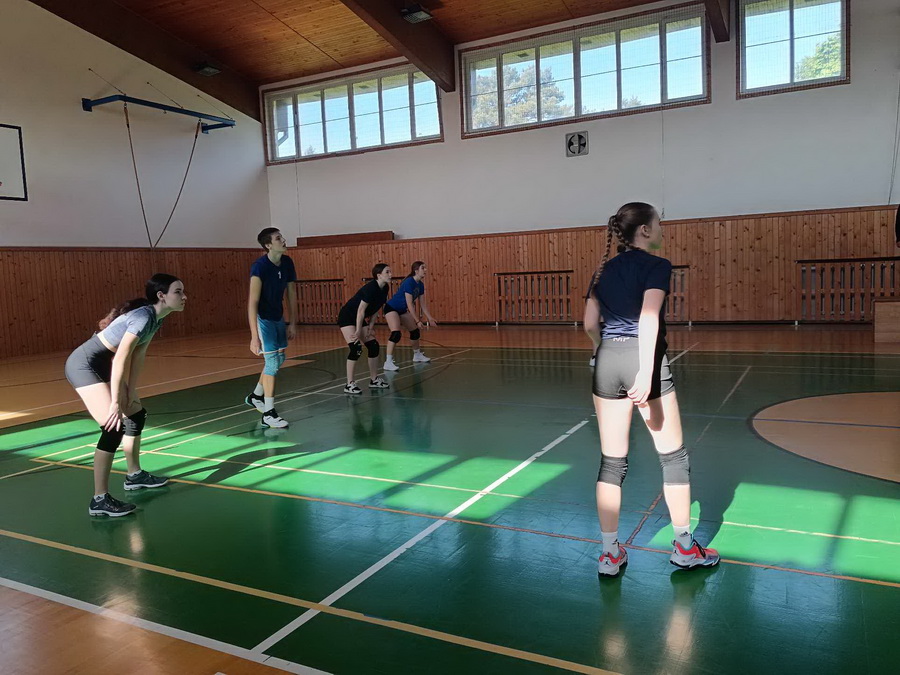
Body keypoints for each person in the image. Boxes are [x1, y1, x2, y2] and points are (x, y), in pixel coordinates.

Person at [583, 202, 719, 577]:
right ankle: (685, 549)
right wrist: (645, 371)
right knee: (673, 458)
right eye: (658, 223)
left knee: (612, 462)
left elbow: (589, 323)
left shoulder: (602, 270)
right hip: (642, 360)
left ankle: (609, 554)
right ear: (644, 230)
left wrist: (601, 348)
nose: (661, 229)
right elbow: (647, 317)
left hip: (607, 361)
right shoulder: (657, 265)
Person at [64, 274, 184, 517]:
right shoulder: (143, 317)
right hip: (84, 365)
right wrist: (115, 402)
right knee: (113, 427)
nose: (184, 297)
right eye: (178, 292)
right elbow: (120, 358)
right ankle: (99, 499)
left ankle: (134, 475)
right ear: (161, 296)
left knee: (136, 415)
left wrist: (130, 390)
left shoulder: (156, 319)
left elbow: (138, 355)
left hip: (103, 364)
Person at [245, 227, 297, 429]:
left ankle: (255, 396)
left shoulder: (287, 262)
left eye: (281, 237)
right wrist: (254, 336)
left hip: (278, 316)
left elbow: (291, 294)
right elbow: (252, 302)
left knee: (279, 359)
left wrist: (292, 322)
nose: (283, 240)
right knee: (272, 363)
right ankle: (268, 413)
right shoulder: (259, 267)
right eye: (278, 238)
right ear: (268, 245)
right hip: (263, 318)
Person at [337, 264, 392, 394]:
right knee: (356, 348)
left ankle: (374, 380)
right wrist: (358, 330)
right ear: (379, 275)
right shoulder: (370, 288)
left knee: (373, 346)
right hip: (348, 316)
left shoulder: (385, 288)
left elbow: (376, 308)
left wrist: (371, 327)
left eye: (390, 272)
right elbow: (361, 311)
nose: (391, 274)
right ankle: (349, 384)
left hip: (359, 318)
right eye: (387, 272)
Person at [383, 261, 437, 371]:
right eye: (423, 268)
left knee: (415, 332)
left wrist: (430, 318)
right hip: (391, 308)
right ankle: (388, 362)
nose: (425, 270)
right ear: (416, 270)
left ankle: (417, 355)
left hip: (402, 310)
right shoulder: (409, 282)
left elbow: (422, 304)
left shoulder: (420, 285)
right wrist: (417, 320)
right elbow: (409, 304)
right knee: (396, 333)